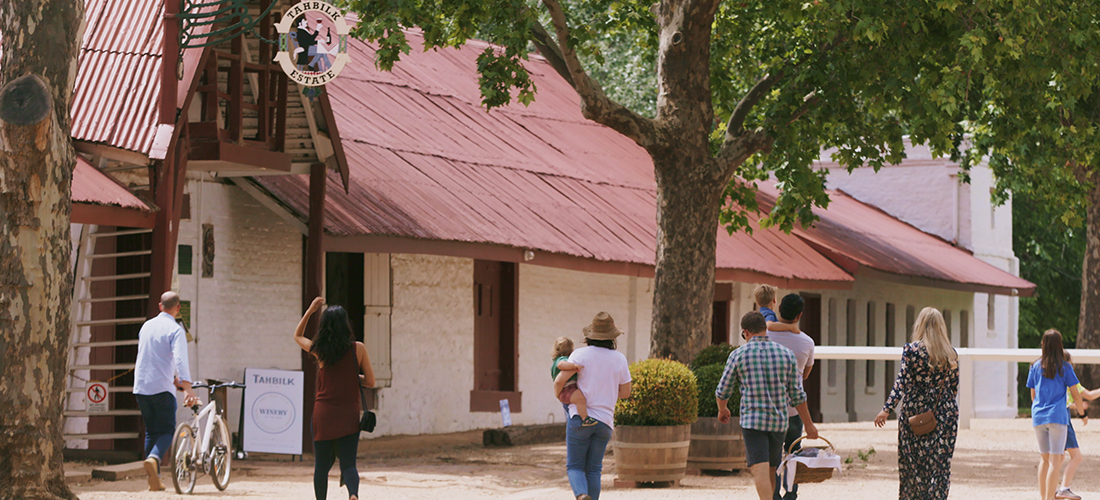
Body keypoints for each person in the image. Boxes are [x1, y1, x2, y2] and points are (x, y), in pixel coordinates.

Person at [717, 311, 818, 500]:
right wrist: (809, 424)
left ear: (745, 332)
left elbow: (723, 390)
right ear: (765, 329)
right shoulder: (786, 355)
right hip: (779, 421)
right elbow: (797, 396)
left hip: (753, 422)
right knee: (772, 468)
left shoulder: (738, 355)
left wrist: (723, 409)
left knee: (760, 470)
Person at [294, 297, 376, 500]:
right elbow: (371, 382)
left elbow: (297, 336)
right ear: (345, 324)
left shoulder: (319, 349)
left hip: (324, 415)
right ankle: (353, 494)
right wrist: (350, 376)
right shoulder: (358, 348)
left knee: (321, 466)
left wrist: (311, 311)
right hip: (348, 415)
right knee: (348, 463)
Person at [874, 307, 959, 500]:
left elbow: (901, 381)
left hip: (914, 412)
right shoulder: (951, 354)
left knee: (913, 465)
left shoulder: (911, 350)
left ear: (920, 325)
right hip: (945, 413)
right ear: (941, 327)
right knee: (940, 466)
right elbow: (954, 387)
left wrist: (887, 409)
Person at [133, 291, 201, 491]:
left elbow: (150, 358)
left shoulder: (146, 326)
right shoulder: (175, 329)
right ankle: (154, 458)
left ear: (159, 306)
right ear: (178, 308)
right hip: (162, 389)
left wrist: (174, 379)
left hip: (141, 387)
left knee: (151, 432)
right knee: (166, 430)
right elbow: (179, 358)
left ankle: (154, 480)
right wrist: (187, 385)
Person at [564, 312, 632, 500]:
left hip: (580, 416)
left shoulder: (578, 354)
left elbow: (565, 382)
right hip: (604, 421)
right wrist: (607, 393)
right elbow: (626, 393)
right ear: (613, 338)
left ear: (589, 336)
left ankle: (581, 495)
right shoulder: (619, 359)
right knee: (594, 469)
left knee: (575, 466)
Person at [1026, 329, 1087, 500]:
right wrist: (1082, 413)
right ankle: (1049, 499)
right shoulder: (1065, 367)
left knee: (1044, 459)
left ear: (1043, 345)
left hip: (1038, 416)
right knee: (1056, 459)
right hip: (1057, 417)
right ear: (1060, 346)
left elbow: (1033, 395)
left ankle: (1043, 497)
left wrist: (1039, 410)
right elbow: (1076, 394)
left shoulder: (1034, 366)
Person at [766, 294, 815, 500]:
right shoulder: (807, 342)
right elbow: (806, 374)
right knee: (793, 451)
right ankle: (791, 492)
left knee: (773, 456)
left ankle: (773, 493)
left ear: (779, 311)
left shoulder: (765, 336)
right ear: (799, 315)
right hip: (794, 409)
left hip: (769, 407)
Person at [1057, 379, 1099, 500]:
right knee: (1077, 456)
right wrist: (1082, 412)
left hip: (1051, 417)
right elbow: (1089, 395)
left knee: (1057, 457)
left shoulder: (1053, 377)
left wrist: (1076, 406)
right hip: (1064, 419)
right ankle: (1064, 488)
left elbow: (1065, 400)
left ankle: (1052, 488)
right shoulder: (1069, 377)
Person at [551, 337, 598, 426]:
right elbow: (561, 365)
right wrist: (574, 366)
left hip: (565, 390)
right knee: (580, 399)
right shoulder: (562, 359)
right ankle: (585, 418)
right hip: (567, 389)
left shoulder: (555, 361)